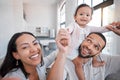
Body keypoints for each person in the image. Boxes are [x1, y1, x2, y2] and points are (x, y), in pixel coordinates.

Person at [49, 29, 120, 80]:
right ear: (83, 39)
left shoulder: (103, 60)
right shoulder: (66, 58)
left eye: (96, 47)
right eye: (89, 40)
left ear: (98, 53)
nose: (89, 47)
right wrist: (62, 52)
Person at [0, 31, 69, 80]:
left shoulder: (40, 66)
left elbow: (52, 56)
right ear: (16, 55)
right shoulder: (13, 77)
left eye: (35, 43)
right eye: (25, 47)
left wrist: (63, 48)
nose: (34, 49)